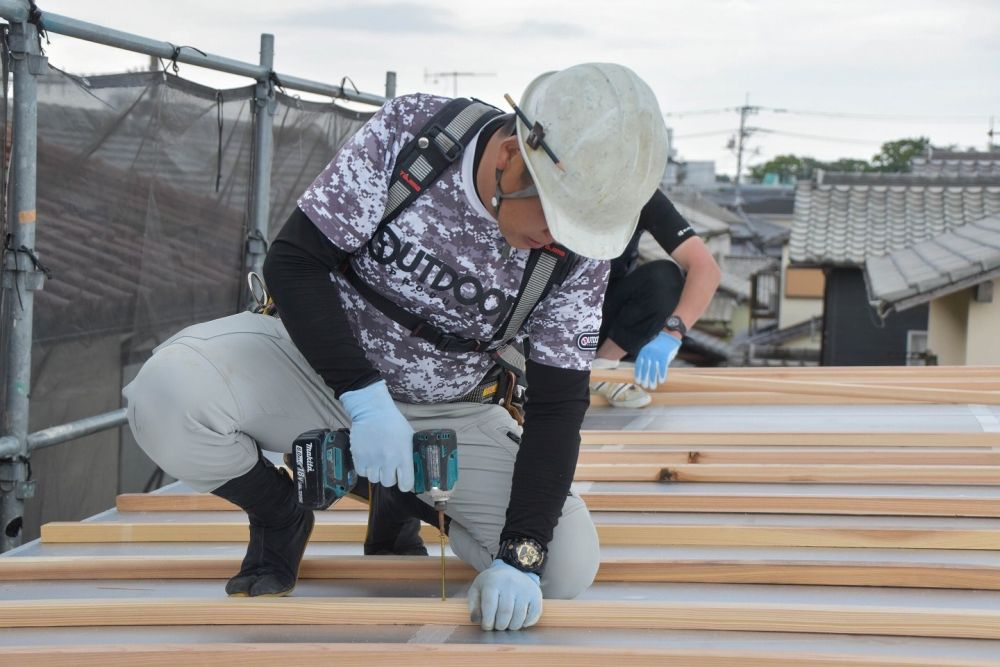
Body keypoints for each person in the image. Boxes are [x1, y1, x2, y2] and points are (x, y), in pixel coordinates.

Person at [122, 63, 668, 632]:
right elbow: (295, 262)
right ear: (510, 154)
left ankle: (400, 493)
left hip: (450, 413)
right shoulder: (419, 134)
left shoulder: (578, 256)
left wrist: (520, 556)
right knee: (167, 395)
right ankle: (279, 512)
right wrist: (364, 399)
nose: (560, 242)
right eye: (556, 219)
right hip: (312, 369)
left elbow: (557, 406)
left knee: (566, 569)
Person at [589, 191, 721, 408]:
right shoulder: (548, 186)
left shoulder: (638, 193)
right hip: (547, 316)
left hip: (601, 312)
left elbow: (706, 269)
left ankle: (602, 366)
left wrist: (672, 334)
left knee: (665, 278)